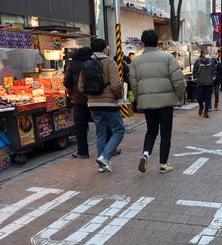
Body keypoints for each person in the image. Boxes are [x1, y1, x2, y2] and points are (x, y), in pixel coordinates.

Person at [129, 29, 185, 174]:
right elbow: (178, 80)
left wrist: (141, 98)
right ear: (157, 41)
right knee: (166, 133)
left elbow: (134, 84)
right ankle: (163, 163)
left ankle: (146, 153)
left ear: (143, 43)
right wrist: (179, 97)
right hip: (166, 103)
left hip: (148, 102)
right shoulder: (168, 58)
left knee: (151, 130)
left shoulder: (136, 62)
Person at [78, 38, 124, 173]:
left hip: (93, 105)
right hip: (109, 104)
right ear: (105, 49)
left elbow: (81, 87)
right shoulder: (110, 63)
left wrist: (91, 96)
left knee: (100, 134)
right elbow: (116, 85)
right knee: (119, 130)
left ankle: (102, 165)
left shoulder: (86, 64)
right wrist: (119, 96)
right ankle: (105, 156)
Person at [64, 47, 93, 159]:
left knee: (80, 127)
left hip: (79, 100)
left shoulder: (72, 64)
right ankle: (107, 150)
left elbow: (67, 82)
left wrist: (71, 94)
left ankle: (83, 152)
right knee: (102, 123)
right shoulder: (93, 61)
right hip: (95, 98)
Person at [193, 50, 216, 118]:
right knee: (199, 98)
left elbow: (214, 71)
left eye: (206, 53)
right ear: (202, 54)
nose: (205, 54)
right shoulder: (197, 62)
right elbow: (194, 71)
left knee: (208, 98)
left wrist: (212, 78)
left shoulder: (211, 62)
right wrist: (197, 79)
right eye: (204, 53)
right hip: (200, 83)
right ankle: (201, 106)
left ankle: (205, 112)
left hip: (209, 83)